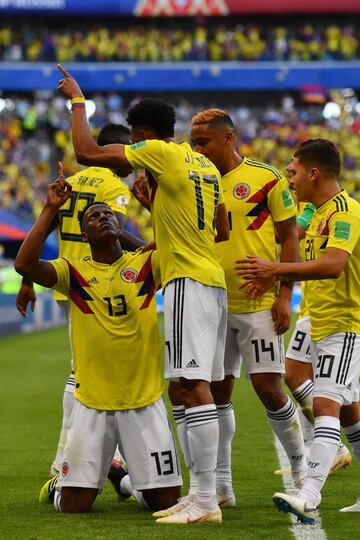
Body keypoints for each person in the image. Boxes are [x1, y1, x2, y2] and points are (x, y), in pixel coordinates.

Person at [56, 64, 229, 524]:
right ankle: (209, 492)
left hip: (186, 280)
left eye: (134, 139)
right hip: (212, 278)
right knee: (196, 387)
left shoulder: (158, 152)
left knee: (189, 388)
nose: (132, 148)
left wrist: (78, 100)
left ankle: (206, 498)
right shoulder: (205, 166)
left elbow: (86, 151)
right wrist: (157, 206)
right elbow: (221, 227)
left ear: (144, 135)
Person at [14, 168, 182, 513]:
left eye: (108, 214)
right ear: (85, 235)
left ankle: (127, 477)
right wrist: (49, 210)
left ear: (120, 227)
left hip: (144, 401)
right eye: (93, 217)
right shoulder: (73, 272)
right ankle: (71, 479)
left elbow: (183, 245)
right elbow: (24, 264)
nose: (103, 217)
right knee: (74, 507)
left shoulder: (148, 264)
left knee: (164, 502)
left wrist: (154, 209)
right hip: (91, 405)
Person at [236, 139, 360, 523]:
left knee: (326, 407)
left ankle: (308, 494)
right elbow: (284, 235)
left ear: (314, 173)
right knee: (347, 407)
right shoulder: (315, 211)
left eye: (293, 171)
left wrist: (276, 271)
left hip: (346, 323)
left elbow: (333, 265)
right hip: (319, 319)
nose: (289, 177)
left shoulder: (346, 212)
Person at [190, 109, 307, 499]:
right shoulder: (195, 180)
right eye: (194, 143)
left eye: (203, 141)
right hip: (210, 300)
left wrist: (284, 294)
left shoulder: (265, 178)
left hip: (256, 303)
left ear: (228, 138)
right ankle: (222, 485)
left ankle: (302, 469)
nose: (197, 149)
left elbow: (289, 235)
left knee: (269, 388)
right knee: (217, 392)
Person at [15, 123, 144, 477]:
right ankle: (65, 462)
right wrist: (151, 250)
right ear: (112, 149)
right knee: (88, 373)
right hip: (95, 284)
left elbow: (45, 227)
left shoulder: (71, 182)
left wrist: (29, 280)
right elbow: (113, 231)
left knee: (87, 369)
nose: (129, 159)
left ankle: (103, 459)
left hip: (64, 280)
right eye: (126, 150)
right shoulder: (113, 185)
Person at [278, 200, 352, 475]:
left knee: (297, 375)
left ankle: (328, 448)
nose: (289, 171)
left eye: (295, 166)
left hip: (326, 312)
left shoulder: (318, 208)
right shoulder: (313, 206)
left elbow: (291, 232)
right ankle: (320, 448)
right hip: (314, 306)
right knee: (343, 400)